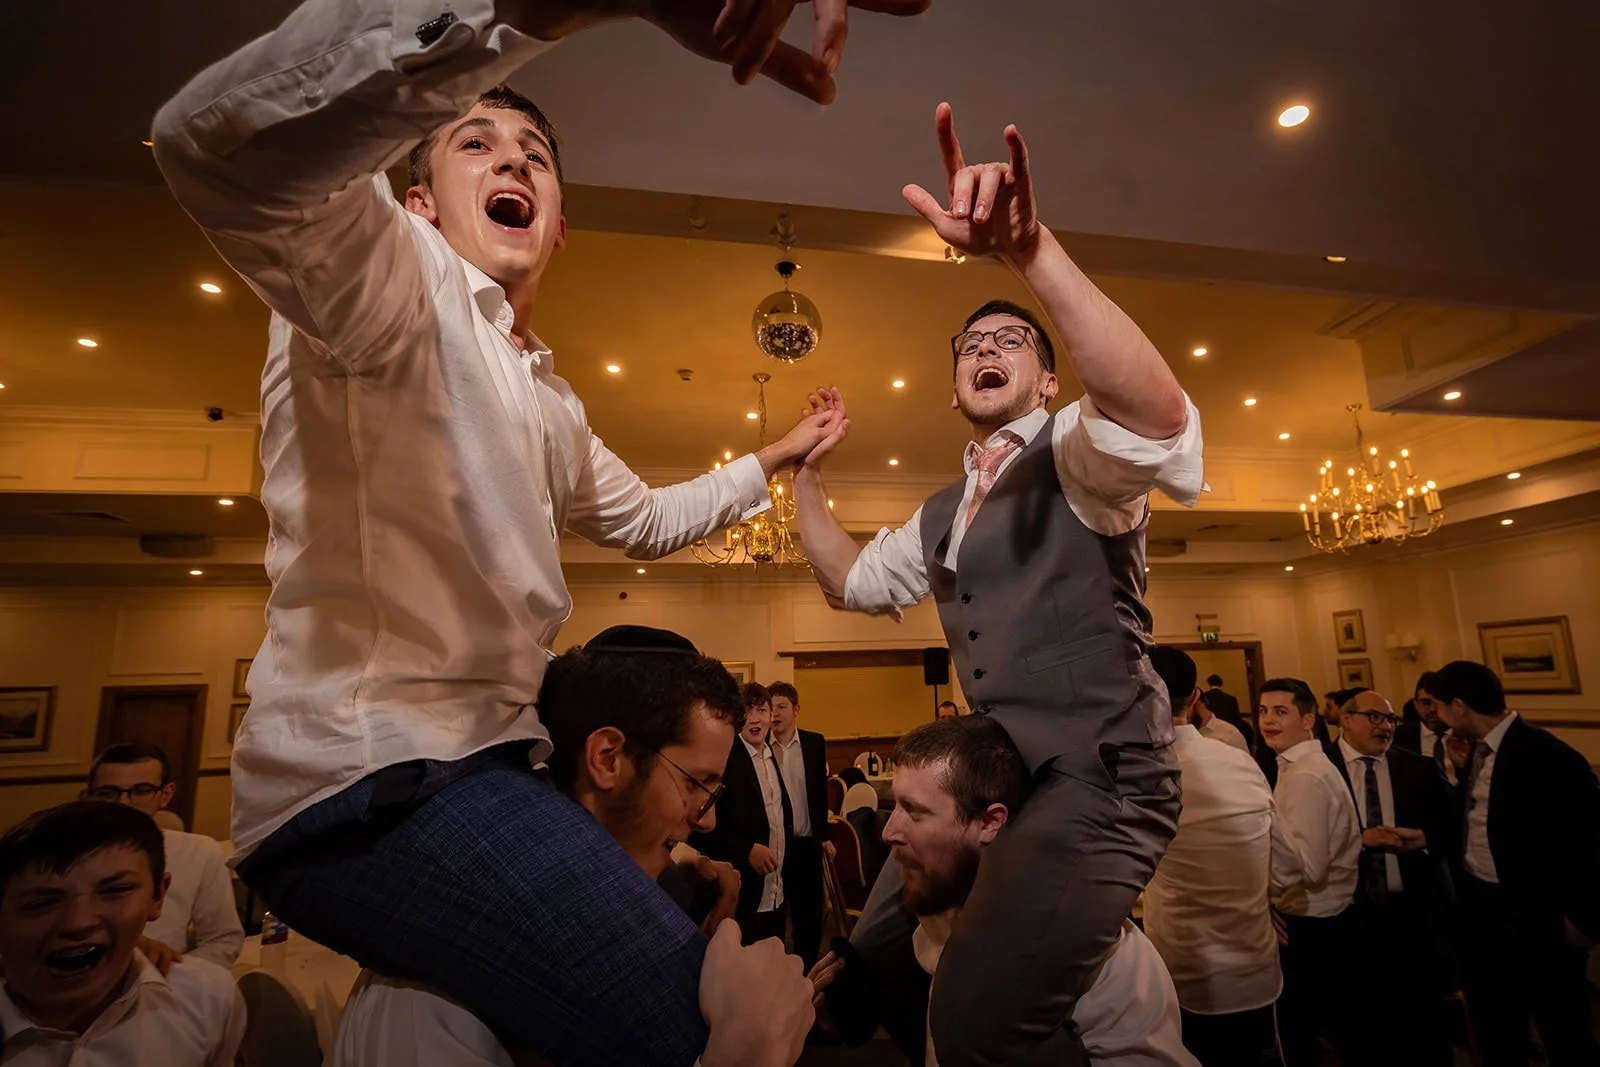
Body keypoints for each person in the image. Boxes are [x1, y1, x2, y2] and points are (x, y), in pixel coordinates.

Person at [152, 1, 933, 1063]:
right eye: (473, 142)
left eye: (534, 153)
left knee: (698, 944)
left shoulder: (550, 401)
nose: (510, 157)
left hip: (487, 768)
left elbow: (651, 520)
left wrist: (783, 451)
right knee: (718, 1021)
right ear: (416, 202)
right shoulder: (388, 282)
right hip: (372, 787)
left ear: (558, 220)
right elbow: (214, 144)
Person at [790, 102, 1204, 1064]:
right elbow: (850, 580)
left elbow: (1154, 413)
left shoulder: (1077, 453)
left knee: (977, 1016)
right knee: (875, 943)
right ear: (952, 388)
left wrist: (1029, 253)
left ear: (1049, 381)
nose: (985, 349)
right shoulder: (942, 510)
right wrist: (803, 477)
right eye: (971, 345)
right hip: (994, 778)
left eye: (1010, 342)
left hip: (1102, 779)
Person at [333, 626, 819, 1067]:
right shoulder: (427, 1007)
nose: (707, 817)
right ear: (607, 759)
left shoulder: (633, 918)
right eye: (696, 783)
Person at [816, 715, 1197, 1066]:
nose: (888, 831)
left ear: (990, 821)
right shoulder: (934, 920)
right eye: (894, 806)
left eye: (914, 811)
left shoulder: (1109, 961)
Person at [1430, 660, 1600, 1067]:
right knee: (1497, 1033)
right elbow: (1487, 823)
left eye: (1437, 707)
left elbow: (1592, 841)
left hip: (1538, 921)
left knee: (1565, 1033)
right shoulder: (1476, 752)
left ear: (1458, 706)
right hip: (1483, 918)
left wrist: (1586, 920)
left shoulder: (1550, 757)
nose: (1435, 717)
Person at [0, 802, 245, 1066]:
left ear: (158, 896)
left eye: (115, 891)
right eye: (41, 903)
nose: (78, 922)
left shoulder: (207, 999)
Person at [1144, 647, 1295, 1067]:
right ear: (1195, 698)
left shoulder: (1135, 775)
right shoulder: (1240, 762)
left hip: (1179, 972)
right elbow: (1289, 869)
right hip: (1253, 971)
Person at [1327, 691, 1457, 1067]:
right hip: (1349, 915)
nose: (1385, 726)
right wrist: (1359, 841)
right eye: (1374, 717)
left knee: (1424, 1027)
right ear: (1345, 719)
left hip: (1413, 916)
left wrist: (1424, 838)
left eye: (1390, 720)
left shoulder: (1418, 768)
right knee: (1361, 1025)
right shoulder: (1319, 768)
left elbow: (1452, 827)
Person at [1256, 677, 1368, 1067]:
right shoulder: (1300, 766)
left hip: (1314, 927)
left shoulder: (1304, 776)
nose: (1268, 720)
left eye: (1281, 712)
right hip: (1323, 921)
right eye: (1264, 711)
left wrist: (1263, 900)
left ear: (1308, 720)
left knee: (1302, 1036)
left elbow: (1308, 868)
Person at [80, 743, 245, 967]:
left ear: (165, 795)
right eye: (107, 793)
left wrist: (166, 971)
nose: (123, 803)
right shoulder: (61, 859)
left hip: (167, 983)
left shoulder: (200, 852)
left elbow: (223, 940)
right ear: (88, 797)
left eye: (141, 791)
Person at [692, 684, 793, 945]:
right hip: (742, 893)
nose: (755, 718)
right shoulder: (726, 759)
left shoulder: (770, 756)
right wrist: (746, 850)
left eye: (761, 710)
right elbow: (697, 829)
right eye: (747, 712)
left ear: (771, 715)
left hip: (776, 892)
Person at [766, 681, 835, 971]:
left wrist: (824, 836)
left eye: (781, 706)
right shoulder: (762, 748)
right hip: (776, 847)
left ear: (796, 710)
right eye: (770, 708)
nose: (775, 714)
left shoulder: (814, 743)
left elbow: (819, 794)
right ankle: (779, 972)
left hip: (807, 843)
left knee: (809, 913)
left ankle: (808, 973)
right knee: (777, 913)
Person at [1199, 673, 1254, 749]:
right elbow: (1237, 720)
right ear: (1221, 684)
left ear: (1209, 683)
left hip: (1208, 736)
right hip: (1229, 736)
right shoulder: (1230, 699)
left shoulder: (1203, 699)